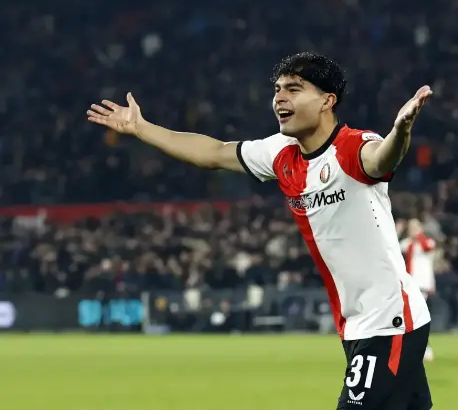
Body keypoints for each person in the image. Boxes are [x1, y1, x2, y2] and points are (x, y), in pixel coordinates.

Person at [87, 52, 433, 410]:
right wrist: (141, 128)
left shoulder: (353, 146)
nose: (280, 97)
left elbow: (381, 157)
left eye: (294, 89)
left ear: (327, 100)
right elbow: (214, 153)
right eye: (278, 89)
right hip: (358, 322)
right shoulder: (281, 153)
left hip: (389, 320)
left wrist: (400, 131)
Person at [400, 218, 437, 362]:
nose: (413, 230)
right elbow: (392, 248)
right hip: (410, 285)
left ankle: (424, 347)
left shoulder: (428, 242)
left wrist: (418, 236)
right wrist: (398, 231)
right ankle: (417, 346)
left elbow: (427, 248)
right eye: (411, 227)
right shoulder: (407, 243)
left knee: (420, 316)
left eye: (416, 227)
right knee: (413, 316)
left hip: (423, 285)